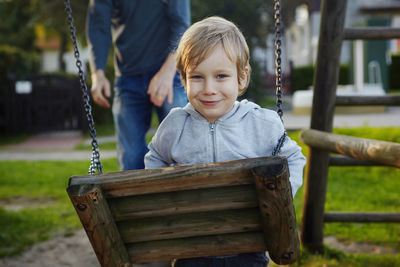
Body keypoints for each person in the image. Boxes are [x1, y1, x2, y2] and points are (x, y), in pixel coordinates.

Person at [144, 16, 306, 267]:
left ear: (241, 78)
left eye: (221, 76)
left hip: (247, 248)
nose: (209, 88)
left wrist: (280, 197)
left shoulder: (260, 123)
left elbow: (293, 158)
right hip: (191, 249)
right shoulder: (175, 126)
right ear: (184, 80)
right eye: (197, 77)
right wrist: (165, 200)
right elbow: (155, 158)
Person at [86, 0, 190, 170]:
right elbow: (98, 25)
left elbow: (181, 24)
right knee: (131, 157)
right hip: (127, 75)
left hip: (168, 71)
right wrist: (97, 73)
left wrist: (167, 72)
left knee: (180, 151)